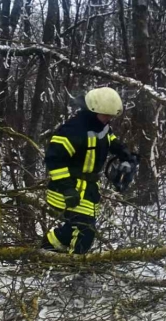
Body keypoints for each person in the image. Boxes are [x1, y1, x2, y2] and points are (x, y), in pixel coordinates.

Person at [41, 87, 139, 254]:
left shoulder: (102, 127)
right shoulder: (73, 130)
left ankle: (47, 248)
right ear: (93, 111)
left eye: (111, 116)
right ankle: (76, 268)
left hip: (88, 189)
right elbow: (54, 160)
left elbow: (111, 141)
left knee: (76, 227)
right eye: (105, 115)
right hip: (67, 189)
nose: (108, 119)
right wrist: (67, 188)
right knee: (85, 230)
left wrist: (127, 156)